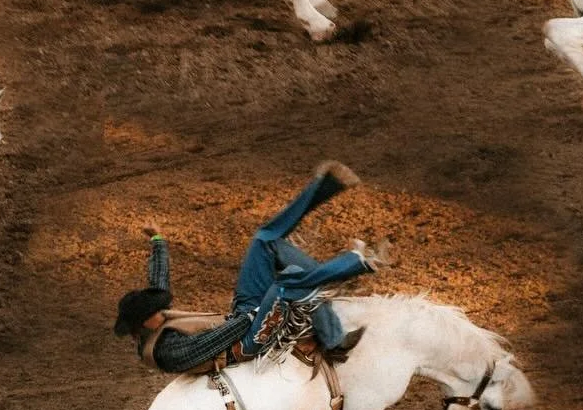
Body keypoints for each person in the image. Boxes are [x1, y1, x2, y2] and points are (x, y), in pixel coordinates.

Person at [114, 160, 387, 375]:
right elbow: (213, 342)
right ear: (143, 324)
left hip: (240, 317)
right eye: (155, 311)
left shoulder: (154, 321)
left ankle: (328, 186)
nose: (161, 310)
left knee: (263, 241)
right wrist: (257, 312)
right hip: (245, 343)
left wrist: (158, 240)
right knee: (286, 283)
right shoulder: (165, 351)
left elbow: (158, 286)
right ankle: (336, 337)